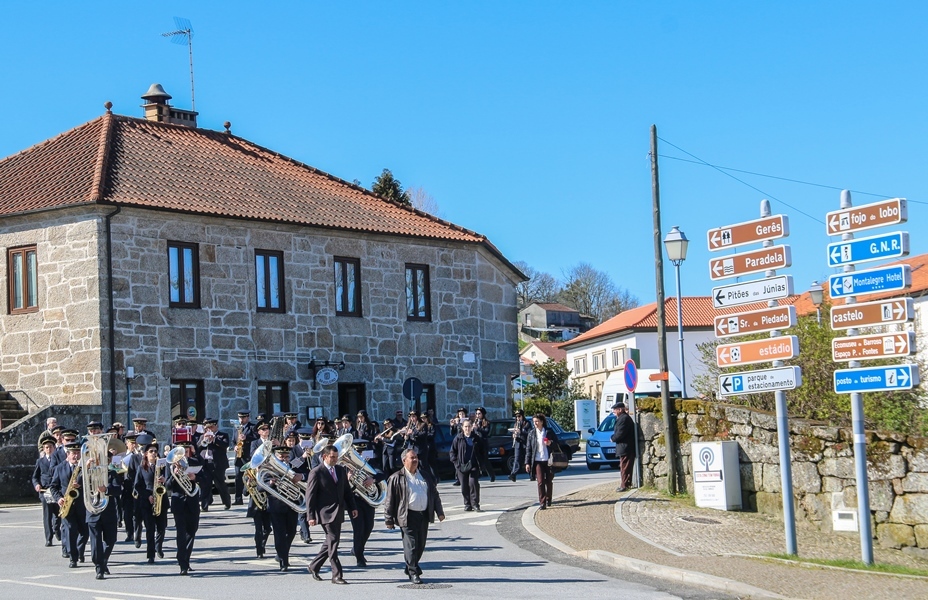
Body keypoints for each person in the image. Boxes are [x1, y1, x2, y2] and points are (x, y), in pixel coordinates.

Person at [383, 448, 445, 585]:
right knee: (411, 545)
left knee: (420, 545)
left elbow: (434, 494)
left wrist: (439, 511)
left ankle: (410, 566)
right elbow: (389, 501)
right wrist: (388, 519)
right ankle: (413, 572)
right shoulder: (395, 478)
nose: (415, 460)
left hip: (423, 515)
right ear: (404, 460)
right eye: (412, 458)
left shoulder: (425, 475)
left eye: (416, 457)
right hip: (407, 516)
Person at [304, 445, 357, 584]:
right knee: (333, 542)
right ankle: (336, 575)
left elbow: (347, 491)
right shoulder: (316, 472)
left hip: (338, 512)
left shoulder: (340, 470)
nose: (335, 459)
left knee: (329, 542)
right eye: (332, 457)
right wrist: (310, 516)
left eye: (336, 457)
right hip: (325, 513)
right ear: (324, 457)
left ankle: (314, 566)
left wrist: (352, 507)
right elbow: (310, 496)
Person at [165, 440, 206, 575]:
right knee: (181, 533)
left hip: (192, 501)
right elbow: (168, 486)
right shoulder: (170, 465)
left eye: (187, 450)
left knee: (192, 531)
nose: (185, 453)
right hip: (179, 502)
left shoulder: (195, 461)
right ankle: (182, 562)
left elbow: (206, 478)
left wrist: (195, 477)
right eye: (182, 450)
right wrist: (174, 475)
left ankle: (186, 559)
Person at [86, 436, 121, 580]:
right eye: (103, 459)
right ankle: (99, 567)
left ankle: (103, 560)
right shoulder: (88, 472)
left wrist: (105, 489)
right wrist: (85, 468)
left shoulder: (112, 473)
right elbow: (78, 483)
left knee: (111, 540)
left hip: (108, 511)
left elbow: (118, 489)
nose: (105, 462)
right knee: (95, 542)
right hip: (93, 511)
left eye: (107, 460)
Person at [49, 441, 87, 568]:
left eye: (77, 453)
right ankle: (73, 557)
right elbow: (53, 487)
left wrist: (81, 485)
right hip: (67, 504)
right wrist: (58, 498)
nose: (76, 456)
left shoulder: (85, 468)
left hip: (82, 504)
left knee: (84, 531)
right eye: (73, 453)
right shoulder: (60, 468)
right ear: (68, 454)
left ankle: (80, 550)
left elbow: (92, 484)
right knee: (70, 531)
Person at [267, 444, 305, 572]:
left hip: (292, 504)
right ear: (275, 456)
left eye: (286, 456)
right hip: (276, 506)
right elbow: (261, 487)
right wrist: (271, 483)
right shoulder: (269, 468)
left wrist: (301, 477)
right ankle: (284, 561)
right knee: (279, 535)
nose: (284, 458)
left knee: (292, 532)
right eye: (281, 456)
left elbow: (308, 473)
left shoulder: (294, 466)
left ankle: (282, 552)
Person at [134, 442, 167, 564]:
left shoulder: (163, 466)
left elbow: (169, 480)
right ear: (146, 454)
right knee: (150, 529)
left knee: (162, 528)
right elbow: (137, 486)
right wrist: (147, 496)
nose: (154, 453)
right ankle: (151, 554)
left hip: (161, 500)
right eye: (151, 451)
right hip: (147, 502)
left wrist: (164, 480)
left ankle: (159, 546)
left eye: (155, 451)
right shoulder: (141, 468)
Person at [450, 419, 488, 511]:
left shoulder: (476, 438)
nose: (467, 428)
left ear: (472, 427)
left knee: (473, 483)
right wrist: (456, 463)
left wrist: (481, 462)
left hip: (473, 465)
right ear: (462, 428)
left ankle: (475, 504)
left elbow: (483, 451)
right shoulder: (458, 438)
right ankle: (467, 504)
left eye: (469, 426)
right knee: (464, 486)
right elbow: (452, 452)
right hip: (461, 466)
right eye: (465, 426)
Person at [525, 413, 558, 510]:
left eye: (537, 421)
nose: (535, 423)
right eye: (534, 422)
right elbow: (528, 449)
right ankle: (542, 502)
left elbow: (557, 444)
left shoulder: (549, 432)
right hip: (537, 460)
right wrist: (527, 463)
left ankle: (549, 498)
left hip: (548, 460)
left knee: (548, 481)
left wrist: (550, 443)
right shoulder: (532, 434)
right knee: (540, 482)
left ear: (542, 422)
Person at [32, 437, 59, 547]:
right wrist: (37, 485)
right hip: (45, 491)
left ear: (54, 448)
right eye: (46, 447)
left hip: (56, 491)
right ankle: (48, 538)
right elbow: (35, 477)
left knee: (58, 514)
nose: (49, 449)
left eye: (51, 447)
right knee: (47, 515)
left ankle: (57, 530)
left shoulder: (59, 460)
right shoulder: (40, 461)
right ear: (43, 449)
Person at [233, 410, 259, 505]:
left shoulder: (252, 427)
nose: (241, 420)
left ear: (247, 417)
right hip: (239, 456)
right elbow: (233, 440)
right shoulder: (236, 428)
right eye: (240, 418)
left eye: (243, 418)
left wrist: (246, 438)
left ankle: (249, 493)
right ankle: (238, 499)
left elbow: (257, 438)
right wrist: (235, 447)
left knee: (249, 476)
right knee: (237, 477)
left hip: (248, 455)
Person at [611, 402, 637, 492]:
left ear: (620, 409)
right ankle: (626, 484)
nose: (614, 411)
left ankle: (624, 485)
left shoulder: (624, 419)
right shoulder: (621, 418)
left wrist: (613, 438)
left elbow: (620, 432)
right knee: (624, 466)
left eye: (615, 409)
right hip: (624, 446)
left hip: (625, 447)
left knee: (625, 467)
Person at [509, 409, 532, 482]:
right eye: (516, 416)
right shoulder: (516, 424)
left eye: (519, 416)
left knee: (527, 459)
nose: (518, 418)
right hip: (518, 443)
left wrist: (521, 431)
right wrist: (514, 435)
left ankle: (531, 474)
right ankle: (513, 474)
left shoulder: (527, 423)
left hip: (525, 443)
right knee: (517, 459)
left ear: (522, 416)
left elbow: (530, 433)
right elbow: (514, 432)